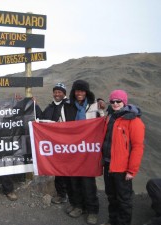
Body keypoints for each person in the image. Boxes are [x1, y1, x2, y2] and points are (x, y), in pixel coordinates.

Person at [101, 89, 145, 225]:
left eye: (118, 101)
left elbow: (138, 147)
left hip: (122, 168)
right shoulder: (110, 117)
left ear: (124, 102)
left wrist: (131, 170)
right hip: (108, 164)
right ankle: (112, 221)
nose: (115, 104)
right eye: (112, 101)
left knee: (124, 199)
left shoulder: (134, 121)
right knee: (111, 196)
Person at [64, 80, 105, 225]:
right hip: (73, 150)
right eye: (77, 91)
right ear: (73, 92)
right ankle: (78, 206)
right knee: (74, 180)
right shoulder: (67, 107)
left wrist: (102, 107)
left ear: (86, 92)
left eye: (82, 91)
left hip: (89, 151)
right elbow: (60, 125)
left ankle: (92, 210)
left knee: (88, 182)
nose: (79, 93)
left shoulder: (95, 106)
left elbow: (103, 124)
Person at [41, 83, 70, 204]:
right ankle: (61, 195)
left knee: (68, 170)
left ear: (64, 93)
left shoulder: (69, 106)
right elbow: (40, 118)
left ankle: (71, 194)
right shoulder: (50, 107)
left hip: (67, 144)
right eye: (55, 92)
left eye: (60, 92)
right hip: (53, 145)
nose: (57, 94)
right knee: (58, 170)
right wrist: (33, 105)